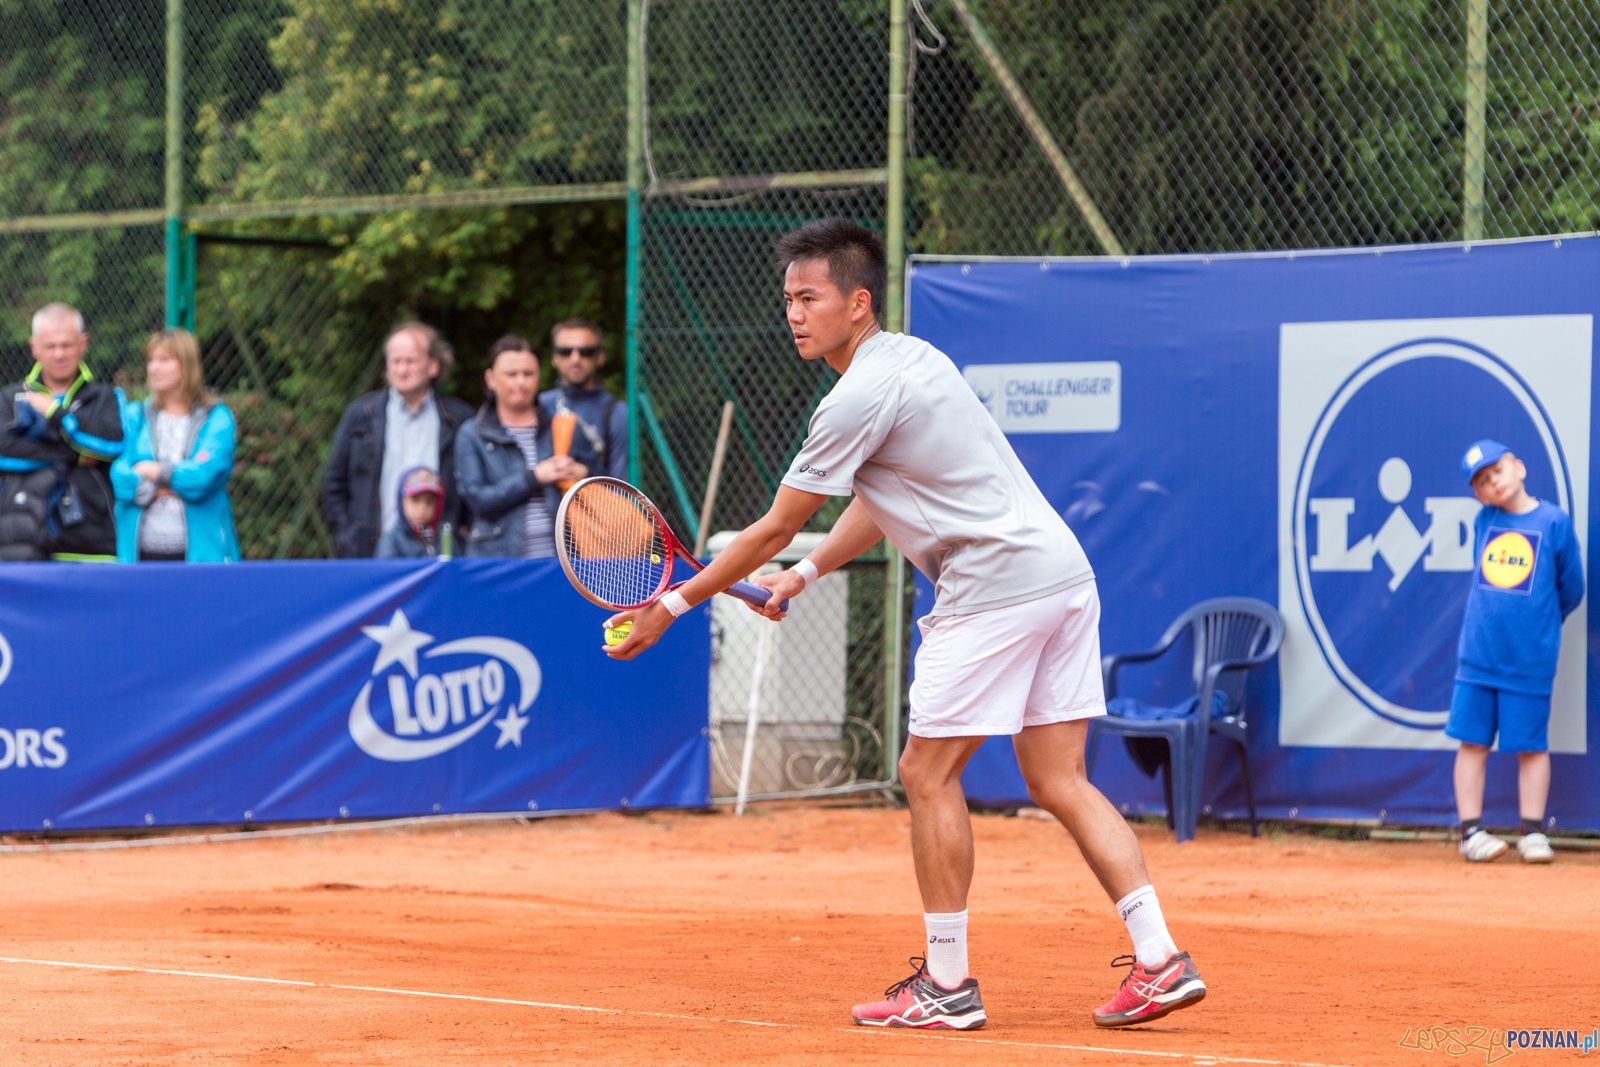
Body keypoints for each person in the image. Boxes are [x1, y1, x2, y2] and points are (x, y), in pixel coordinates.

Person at [602, 219, 1205, 1031]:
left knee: (925, 773)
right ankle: (1161, 957)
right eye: (787, 299)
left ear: (858, 302)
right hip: (1061, 575)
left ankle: (947, 984)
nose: (794, 314)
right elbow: (881, 499)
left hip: (992, 588)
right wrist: (808, 573)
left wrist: (672, 605)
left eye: (810, 297)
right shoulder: (917, 360)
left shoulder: (853, 397)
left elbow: (775, 526)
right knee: (1059, 779)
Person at [1449, 440, 1584, 864]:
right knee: (1472, 743)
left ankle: (1533, 833)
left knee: (1532, 747)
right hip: (1478, 658)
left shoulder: (1555, 522)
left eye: (1498, 471)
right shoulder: (1484, 520)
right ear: (1479, 495)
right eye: (1482, 481)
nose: (1494, 482)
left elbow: (1572, 588)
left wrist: (1539, 626)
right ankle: (1471, 833)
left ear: (1519, 468)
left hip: (1530, 662)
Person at [321, 322, 473, 558]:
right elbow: (334, 486)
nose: (402, 369)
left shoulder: (457, 418)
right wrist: (346, 537)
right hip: (369, 554)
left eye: (411, 361)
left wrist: (459, 539)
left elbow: (471, 489)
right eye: (395, 361)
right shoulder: (361, 415)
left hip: (438, 556)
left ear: (433, 365)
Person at [0, 303, 125, 561]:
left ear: (83, 343)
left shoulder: (106, 397)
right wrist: (76, 454)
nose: (59, 354)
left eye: (67, 345)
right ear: (34, 346)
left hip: (90, 545)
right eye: (50, 346)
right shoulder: (9, 397)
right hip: (19, 544)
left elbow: (112, 445)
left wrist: (56, 414)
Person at [111, 329, 240, 563]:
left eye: (164, 360)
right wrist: (163, 488)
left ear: (186, 365)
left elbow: (201, 478)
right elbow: (119, 478)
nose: (154, 368)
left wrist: (151, 470)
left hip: (201, 560)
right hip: (140, 557)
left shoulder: (217, 418)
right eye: (151, 360)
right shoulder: (135, 416)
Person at [455, 336, 587, 557]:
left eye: (528, 373)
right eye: (511, 374)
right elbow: (477, 500)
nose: (521, 382)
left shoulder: (561, 425)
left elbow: (599, 476)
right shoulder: (472, 434)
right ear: (490, 379)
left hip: (563, 560)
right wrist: (534, 478)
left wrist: (582, 471)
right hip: (499, 560)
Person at [539, 317, 628, 479]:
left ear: (600, 357)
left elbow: (621, 484)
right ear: (554, 357)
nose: (575, 359)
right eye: (565, 351)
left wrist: (588, 475)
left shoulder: (617, 412)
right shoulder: (539, 404)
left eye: (586, 352)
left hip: (593, 494)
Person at [376, 466, 446, 559]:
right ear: (401, 501)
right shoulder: (392, 540)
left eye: (429, 502)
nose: (422, 507)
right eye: (415, 500)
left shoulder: (445, 538)